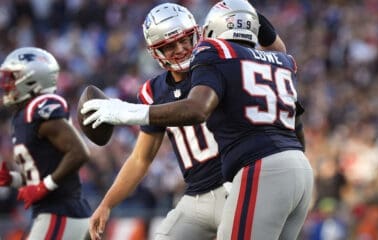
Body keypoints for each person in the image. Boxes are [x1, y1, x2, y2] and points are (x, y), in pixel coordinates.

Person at [87, 2, 286, 240]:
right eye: (169, 45)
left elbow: (277, 56)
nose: (180, 48)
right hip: (195, 197)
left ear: (197, 35)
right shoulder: (153, 91)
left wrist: (248, 13)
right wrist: (107, 203)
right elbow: (141, 158)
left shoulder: (218, 64)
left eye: (185, 39)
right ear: (155, 52)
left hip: (236, 186)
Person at [0, 47, 91, 239]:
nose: (7, 84)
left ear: (32, 79)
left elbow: (79, 152)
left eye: (12, 77)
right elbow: (42, 173)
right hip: (55, 213)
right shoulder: (21, 117)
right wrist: (13, 179)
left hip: (62, 212)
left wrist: (44, 187)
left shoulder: (39, 109)